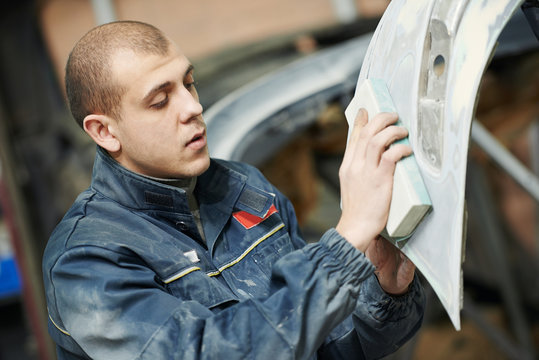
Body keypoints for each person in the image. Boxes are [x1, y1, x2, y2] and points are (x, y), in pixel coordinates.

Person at [42, 20, 425, 359]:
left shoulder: (244, 187)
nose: (192, 107)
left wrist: (384, 288)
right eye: (160, 101)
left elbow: (322, 344)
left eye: (189, 83)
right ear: (104, 132)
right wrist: (350, 234)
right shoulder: (85, 264)